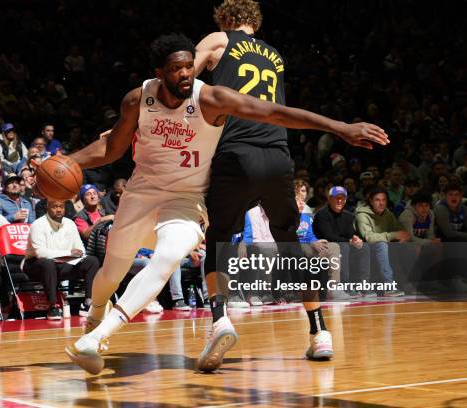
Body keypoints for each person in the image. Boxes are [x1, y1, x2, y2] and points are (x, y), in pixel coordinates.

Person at [63, 33, 388, 375]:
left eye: (190, 66)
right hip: (142, 191)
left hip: (186, 199)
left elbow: (274, 111)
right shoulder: (137, 100)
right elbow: (111, 148)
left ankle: (100, 336)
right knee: (111, 271)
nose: (186, 74)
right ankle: (97, 312)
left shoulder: (211, 98)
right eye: (177, 69)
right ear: (160, 72)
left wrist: (339, 128)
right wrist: (64, 161)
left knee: (170, 256)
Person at [191, 0, 387, 371]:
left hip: (236, 153)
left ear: (227, 19)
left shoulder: (218, 40)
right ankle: (319, 332)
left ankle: (220, 321)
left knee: (218, 241)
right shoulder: (275, 55)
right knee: (291, 243)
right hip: (278, 155)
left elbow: (184, 77)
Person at [23, 199, 100, 320]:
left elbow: (80, 249)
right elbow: (40, 253)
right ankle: (53, 306)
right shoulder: (38, 225)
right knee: (47, 263)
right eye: (54, 206)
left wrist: (72, 255)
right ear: (47, 208)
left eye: (61, 207)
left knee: (92, 261)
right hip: (35, 265)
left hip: (64, 262)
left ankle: (88, 303)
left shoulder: (70, 223)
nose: (58, 210)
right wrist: (68, 253)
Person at [313, 186, 372, 297]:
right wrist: (349, 241)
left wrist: (356, 240)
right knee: (342, 247)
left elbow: (350, 234)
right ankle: (344, 285)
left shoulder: (348, 216)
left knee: (364, 247)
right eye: (337, 198)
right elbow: (328, 236)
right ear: (330, 199)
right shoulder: (321, 214)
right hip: (324, 247)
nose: (340, 201)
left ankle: (364, 286)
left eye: (343, 198)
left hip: (344, 244)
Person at [354, 187, 408, 297]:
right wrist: (393, 235)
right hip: (363, 246)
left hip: (383, 244)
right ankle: (388, 287)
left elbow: (398, 228)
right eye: (377, 200)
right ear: (371, 201)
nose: (381, 203)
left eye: (384, 200)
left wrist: (403, 236)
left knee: (406, 245)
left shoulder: (387, 213)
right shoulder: (362, 215)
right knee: (381, 245)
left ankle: (410, 282)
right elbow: (369, 237)